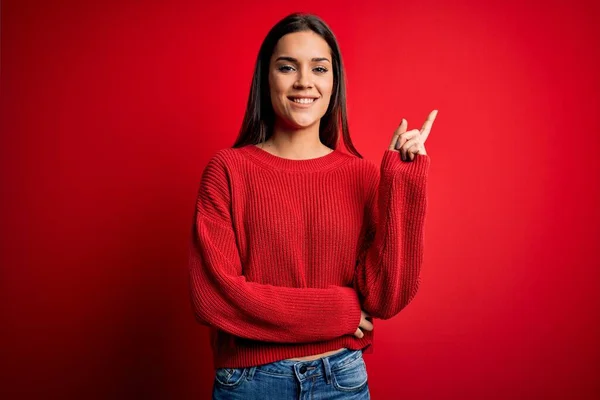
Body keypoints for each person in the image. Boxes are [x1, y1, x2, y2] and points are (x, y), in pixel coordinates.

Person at [188, 12, 437, 399]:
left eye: (319, 68)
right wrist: (339, 311)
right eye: (287, 67)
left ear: (333, 82)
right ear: (265, 78)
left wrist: (402, 184)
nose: (304, 81)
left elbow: (385, 299)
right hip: (250, 384)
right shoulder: (228, 170)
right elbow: (214, 298)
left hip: (340, 380)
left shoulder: (362, 176)